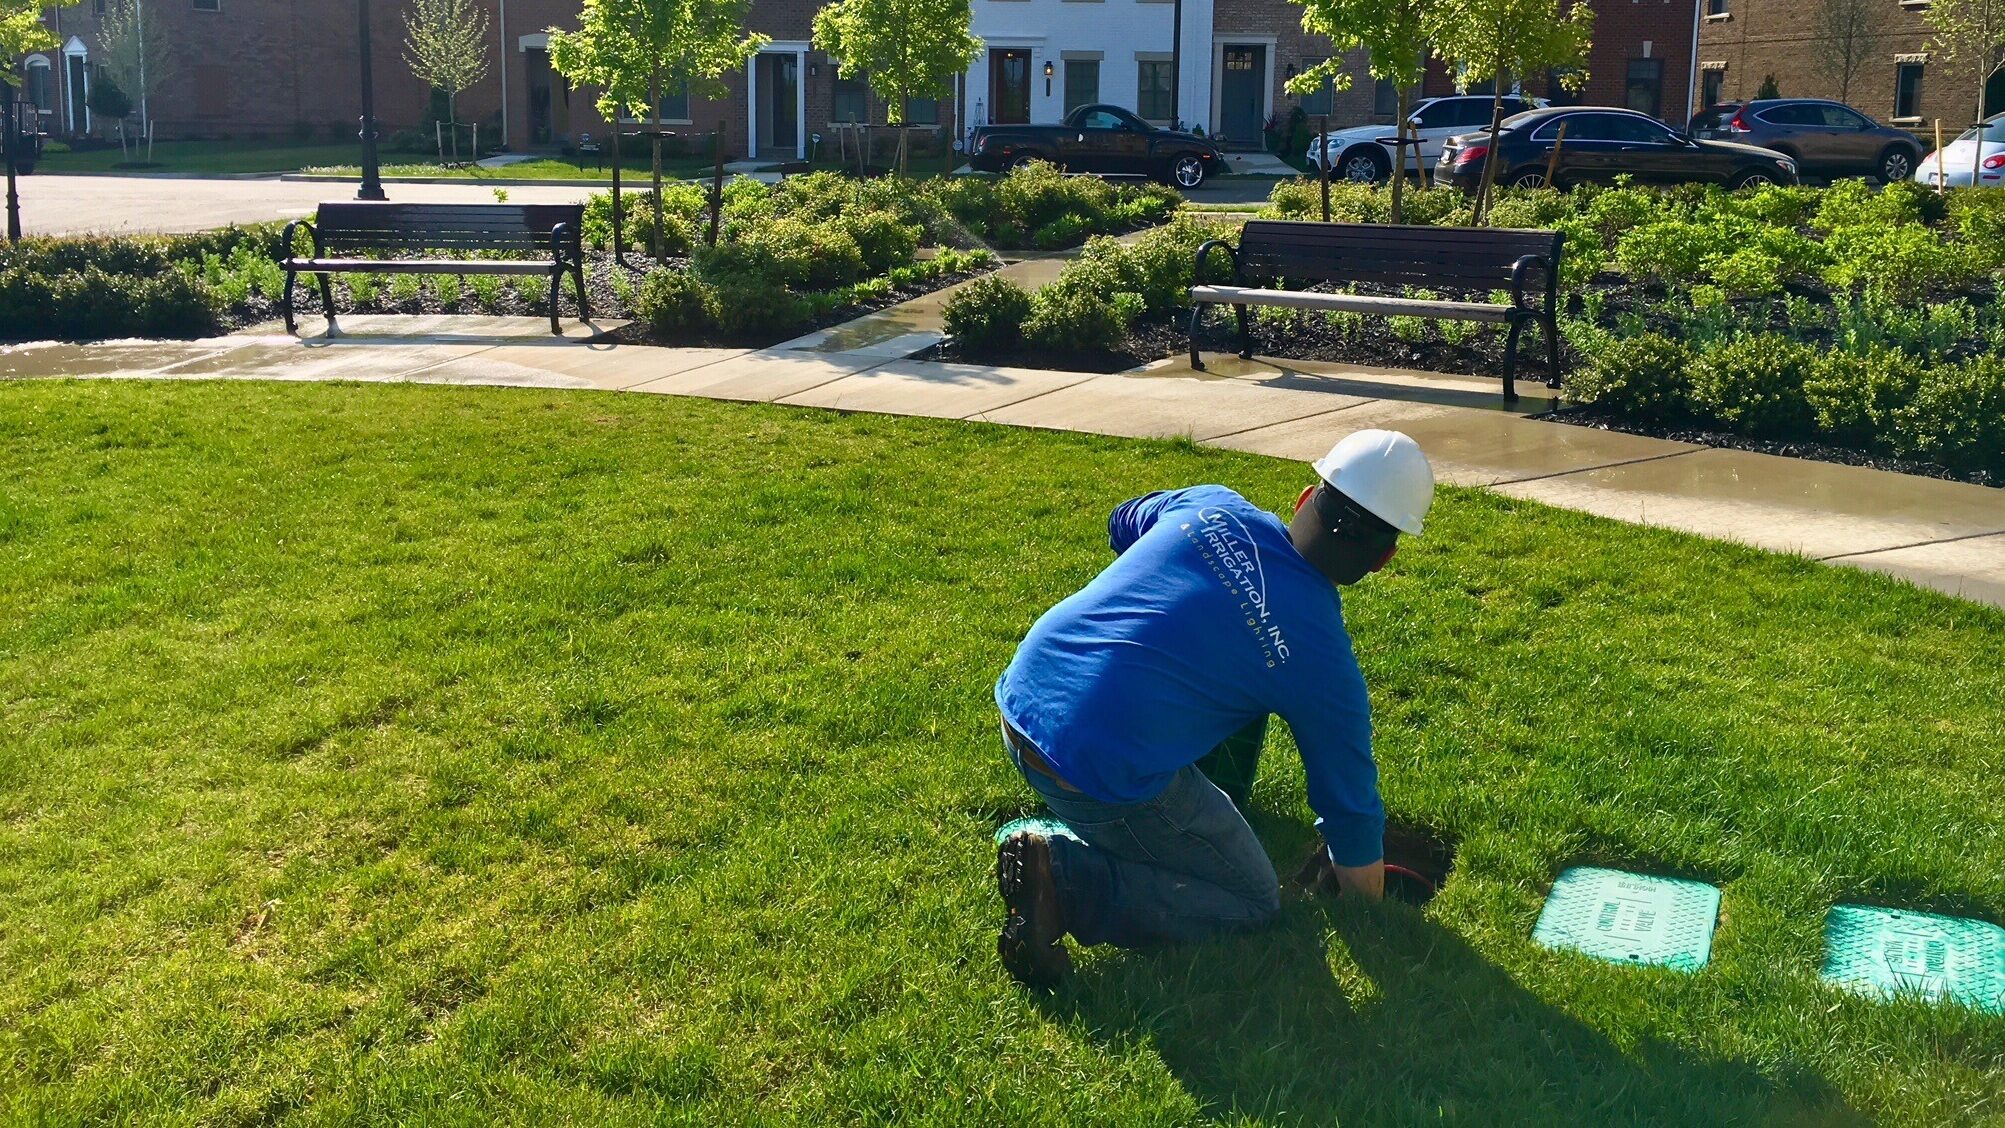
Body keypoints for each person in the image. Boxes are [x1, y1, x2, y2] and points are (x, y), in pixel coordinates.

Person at [992, 429, 1435, 989]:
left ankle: (1101, 846)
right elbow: (1350, 811)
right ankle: (1064, 878)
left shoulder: (1212, 503)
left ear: (1304, 498)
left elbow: (1123, 520)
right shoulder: (1320, 658)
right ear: (1385, 558)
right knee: (1251, 900)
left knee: (1231, 674)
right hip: (1094, 768)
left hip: (1024, 691)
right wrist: (1370, 912)